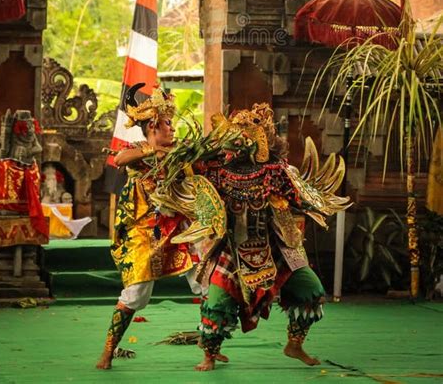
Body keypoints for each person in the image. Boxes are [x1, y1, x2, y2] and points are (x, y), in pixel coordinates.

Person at [152, 103, 349, 371]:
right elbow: (188, 191)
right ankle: (210, 355)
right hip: (232, 250)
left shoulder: (278, 172)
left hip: (276, 248)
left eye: (250, 133)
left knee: (311, 290)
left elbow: (301, 198)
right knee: (218, 304)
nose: (243, 140)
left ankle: (295, 343)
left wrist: (307, 203)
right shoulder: (214, 171)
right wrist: (176, 168)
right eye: (239, 134)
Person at [96, 84, 202, 370]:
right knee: (136, 294)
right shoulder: (137, 151)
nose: (172, 128)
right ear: (153, 125)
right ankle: (108, 351)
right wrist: (153, 151)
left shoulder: (181, 154)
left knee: (204, 283)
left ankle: (210, 350)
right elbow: (119, 159)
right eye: (167, 123)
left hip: (179, 229)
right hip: (143, 232)